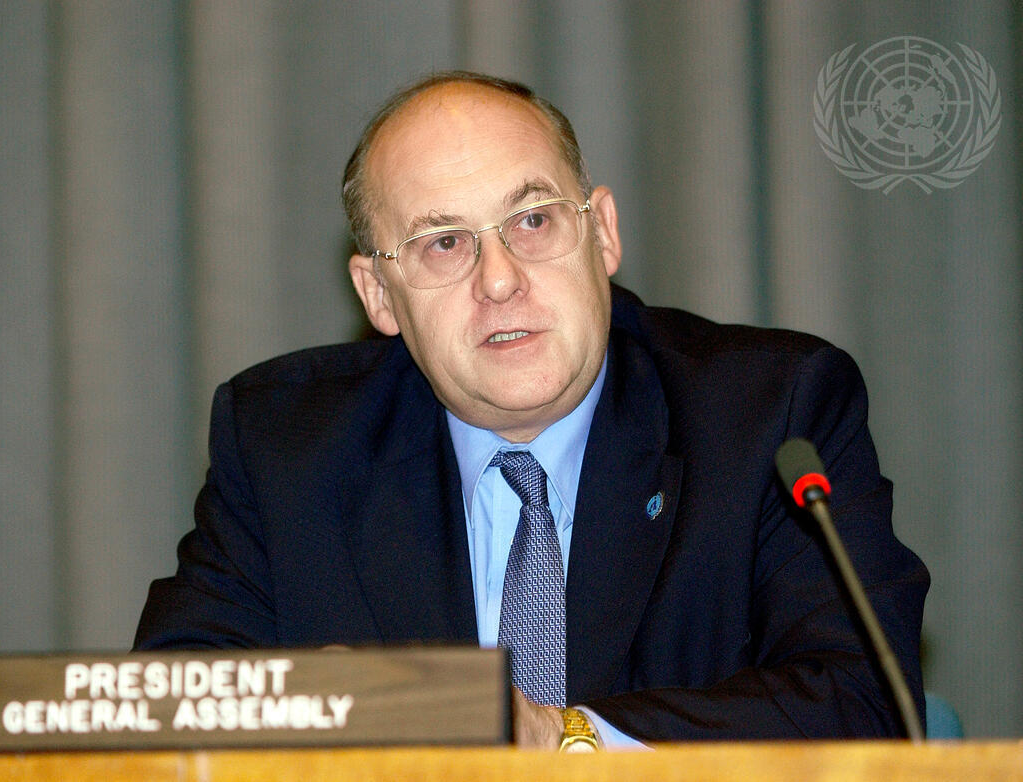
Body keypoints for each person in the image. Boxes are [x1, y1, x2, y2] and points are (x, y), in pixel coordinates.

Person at [134, 71, 929, 748]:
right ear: (378, 293)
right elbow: (164, 713)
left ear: (602, 233)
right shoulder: (286, 446)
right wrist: (310, 706)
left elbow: (867, 701)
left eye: (533, 220)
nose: (500, 279)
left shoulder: (769, 414)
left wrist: (566, 737)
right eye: (444, 242)